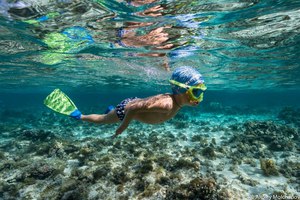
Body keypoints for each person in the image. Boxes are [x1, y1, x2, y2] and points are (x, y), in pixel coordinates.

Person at [75, 66, 207, 138]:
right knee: (103, 120)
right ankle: (80, 116)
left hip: (136, 104)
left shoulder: (178, 101)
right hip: (126, 109)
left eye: (202, 92)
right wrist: (123, 126)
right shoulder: (167, 105)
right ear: (181, 90)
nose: (199, 97)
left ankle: (110, 111)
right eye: (196, 92)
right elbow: (133, 108)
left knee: (109, 114)